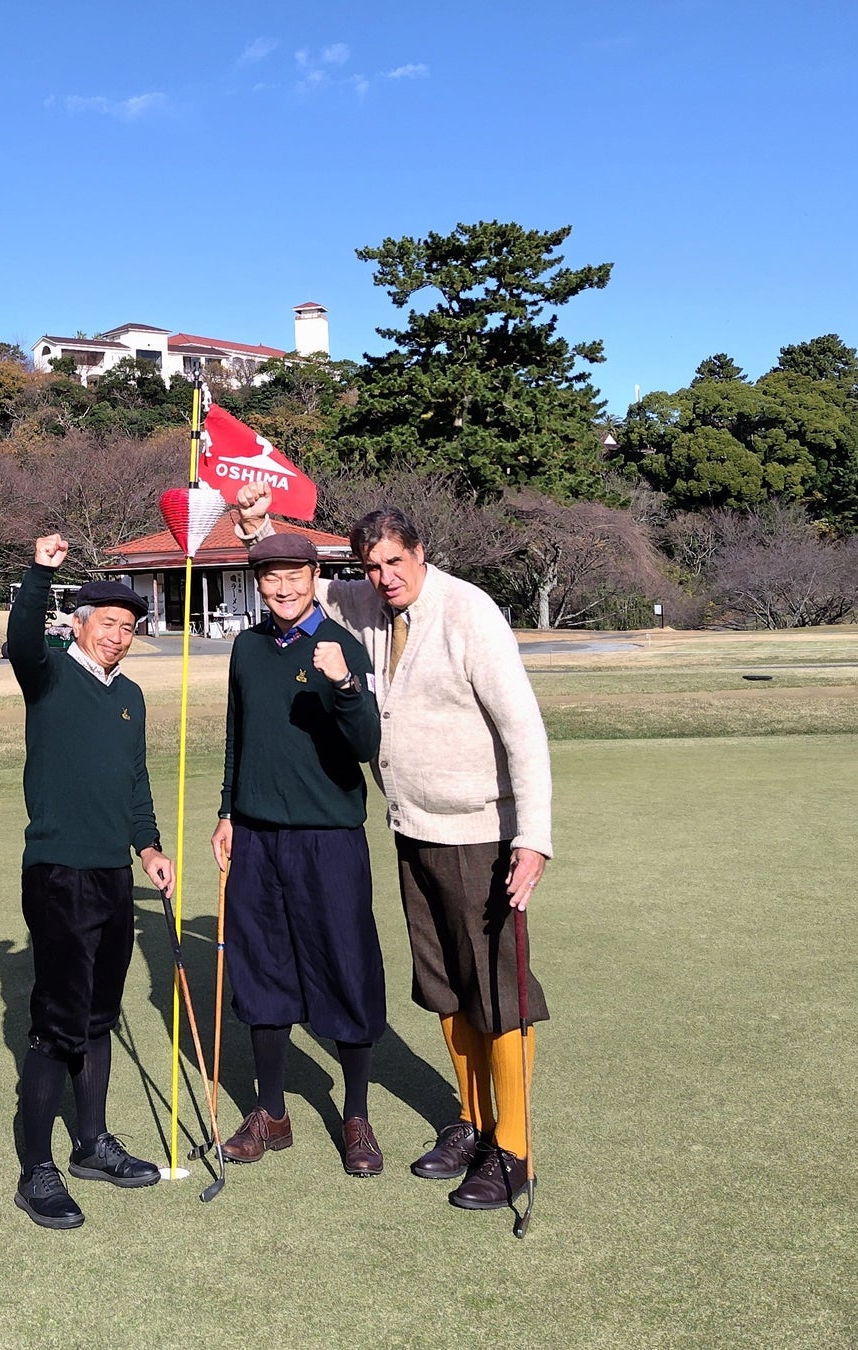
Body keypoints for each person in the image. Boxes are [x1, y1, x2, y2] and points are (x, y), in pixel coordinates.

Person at [235, 483, 552, 1213]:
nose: (384, 577)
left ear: (420, 553)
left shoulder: (468, 612)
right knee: (445, 988)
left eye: (394, 562)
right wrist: (257, 525)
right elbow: (294, 582)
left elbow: (523, 730)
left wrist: (533, 837)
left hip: (481, 832)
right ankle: (473, 1123)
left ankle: (514, 1151)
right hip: (412, 829)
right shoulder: (368, 605)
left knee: (496, 991)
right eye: (372, 567)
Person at [6, 532, 176, 1230]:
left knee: (100, 1015)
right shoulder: (47, 671)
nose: (118, 637)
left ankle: (91, 1144)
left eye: (128, 628)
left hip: (112, 874)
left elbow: (135, 780)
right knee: (58, 1022)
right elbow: (19, 640)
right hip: (58, 872)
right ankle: (36, 1171)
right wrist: (38, 572)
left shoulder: (130, 695)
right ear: (79, 625)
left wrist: (149, 847)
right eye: (107, 623)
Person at [209, 532, 387, 1176]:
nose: (282, 589)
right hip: (257, 837)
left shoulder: (342, 646)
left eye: (294, 576)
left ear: (315, 576)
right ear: (259, 584)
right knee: (262, 970)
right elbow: (237, 733)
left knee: (346, 966)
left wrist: (344, 685)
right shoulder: (247, 647)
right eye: (270, 578)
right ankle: (271, 1113)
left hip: (328, 838)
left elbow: (367, 743)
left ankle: (356, 1115)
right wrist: (227, 810)